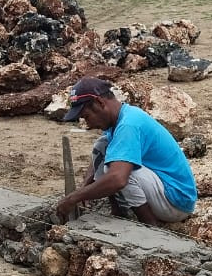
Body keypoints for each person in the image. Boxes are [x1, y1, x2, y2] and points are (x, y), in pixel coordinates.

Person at [54, 77, 197, 226]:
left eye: (87, 116)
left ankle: (150, 225)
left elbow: (118, 179)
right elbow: (101, 152)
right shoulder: (122, 117)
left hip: (176, 203)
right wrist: (84, 189)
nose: (88, 124)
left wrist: (73, 198)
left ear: (100, 103)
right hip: (166, 192)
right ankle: (119, 212)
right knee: (102, 145)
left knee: (118, 171)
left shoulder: (128, 125)